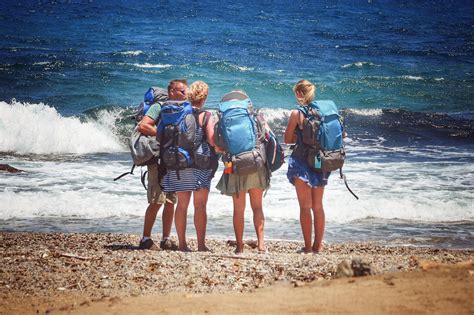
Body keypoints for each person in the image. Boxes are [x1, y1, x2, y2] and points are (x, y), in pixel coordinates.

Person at [161, 81, 216, 252]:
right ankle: (200, 245)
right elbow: (212, 140)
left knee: (182, 205)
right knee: (200, 206)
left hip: (180, 164)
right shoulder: (206, 116)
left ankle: (183, 244)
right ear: (204, 97)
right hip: (201, 165)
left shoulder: (179, 113)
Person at [136, 79, 188, 250]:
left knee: (171, 201)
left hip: (174, 159)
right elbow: (143, 126)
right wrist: (164, 135)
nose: (185, 94)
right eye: (181, 91)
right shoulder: (158, 106)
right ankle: (145, 239)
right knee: (156, 200)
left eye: (185, 91)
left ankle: (166, 239)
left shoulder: (182, 109)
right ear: (171, 91)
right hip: (158, 158)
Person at [215, 91, 269, 254]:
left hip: (234, 165)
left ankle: (239, 246)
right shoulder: (255, 115)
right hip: (255, 163)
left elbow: (218, 146)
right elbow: (267, 137)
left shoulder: (221, 118)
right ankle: (261, 245)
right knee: (257, 207)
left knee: (238, 209)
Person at [284, 79, 329, 254]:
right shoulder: (323, 111)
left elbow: (288, 140)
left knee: (305, 207)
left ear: (298, 93)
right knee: (318, 206)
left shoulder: (297, 113)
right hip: (320, 161)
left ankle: (308, 248)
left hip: (301, 162)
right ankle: (318, 246)